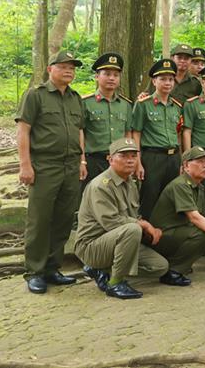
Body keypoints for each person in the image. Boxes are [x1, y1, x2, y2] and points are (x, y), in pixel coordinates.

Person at [17, 49, 86, 294]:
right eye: (63, 66)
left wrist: (83, 161)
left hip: (71, 165)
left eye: (72, 67)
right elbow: (23, 130)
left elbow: (79, 131)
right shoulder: (35, 95)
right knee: (40, 219)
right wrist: (25, 165)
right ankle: (34, 272)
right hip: (44, 166)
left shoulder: (75, 98)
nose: (69, 70)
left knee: (63, 219)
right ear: (50, 69)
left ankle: (52, 268)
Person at [76, 138, 170, 299]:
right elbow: (111, 222)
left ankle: (103, 270)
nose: (130, 160)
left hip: (119, 240)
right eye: (124, 156)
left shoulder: (130, 182)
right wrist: (143, 224)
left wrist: (145, 227)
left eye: (134, 156)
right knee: (133, 229)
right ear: (110, 159)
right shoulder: (101, 185)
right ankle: (115, 283)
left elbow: (133, 215)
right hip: (92, 245)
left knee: (160, 267)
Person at [149, 146, 205, 284]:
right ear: (185, 165)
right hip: (161, 236)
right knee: (204, 235)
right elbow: (194, 217)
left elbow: (200, 217)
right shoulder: (181, 184)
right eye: (200, 161)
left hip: (178, 232)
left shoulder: (198, 186)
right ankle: (173, 271)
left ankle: (179, 265)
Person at [131, 59, 183, 220]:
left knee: (171, 196)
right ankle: (145, 235)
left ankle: (165, 233)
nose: (167, 83)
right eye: (162, 79)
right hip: (152, 157)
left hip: (173, 157)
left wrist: (180, 160)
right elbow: (136, 134)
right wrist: (137, 162)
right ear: (154, 81)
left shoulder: (177, 106)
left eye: (170, 79)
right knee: (149, 196)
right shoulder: (143, 104)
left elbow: (178, 134)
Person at [81, 53, 132, 186]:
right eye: (107, 74)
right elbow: (80, 133)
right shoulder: (85, 102)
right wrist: (81, 161)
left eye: (116, 75)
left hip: (119, 161)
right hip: (94, 161)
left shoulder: (125, 104)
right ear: (97, 77)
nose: (111, 78)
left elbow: (128, 134)